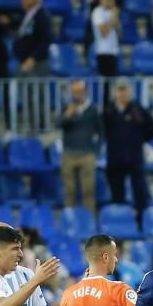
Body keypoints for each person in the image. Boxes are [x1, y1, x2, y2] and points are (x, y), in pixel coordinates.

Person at [103, 80, 153, 218]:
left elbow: (152, 128)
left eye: (125, 90)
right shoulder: (109, 110)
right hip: (114, 158)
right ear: (115, 92)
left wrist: (140, 140)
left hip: (134, 158)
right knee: (116, 194)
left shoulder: (138, 109)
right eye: (119, 90)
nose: (122, 94)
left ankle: (141, 221)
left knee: (140, 193)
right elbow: (102, 130)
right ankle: (120, 222)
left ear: (130, 92)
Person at [59, 80, 103, 215]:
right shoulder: (67, 107)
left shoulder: (93, 109)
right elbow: (59, 124)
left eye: (78, 92)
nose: (76, 95)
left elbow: (101, 132)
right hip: (69, 154)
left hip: (87, 154)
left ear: (85, 92)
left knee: (88, 190)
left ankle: (90, 220)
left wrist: (96, 150)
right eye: (74, 92)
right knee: (69, 190)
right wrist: (68, 114)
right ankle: (69, 218)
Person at [13, 0, 51, 78]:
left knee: (35, 90)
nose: (22, 0)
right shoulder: (27, 14)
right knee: (22, 90)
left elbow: (45, 40)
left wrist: (33, 58)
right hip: (24, 60)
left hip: (36, 63)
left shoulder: (42, 16)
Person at [92, 0, 122, 77]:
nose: (111, 1)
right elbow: (104, 32)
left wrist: (116, 21)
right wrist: (113, 18)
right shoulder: (97, 12)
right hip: (103, 53)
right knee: (105, 84)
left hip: (114, 52)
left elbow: (119, 35)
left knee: (113, 84)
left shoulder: (113, 13)